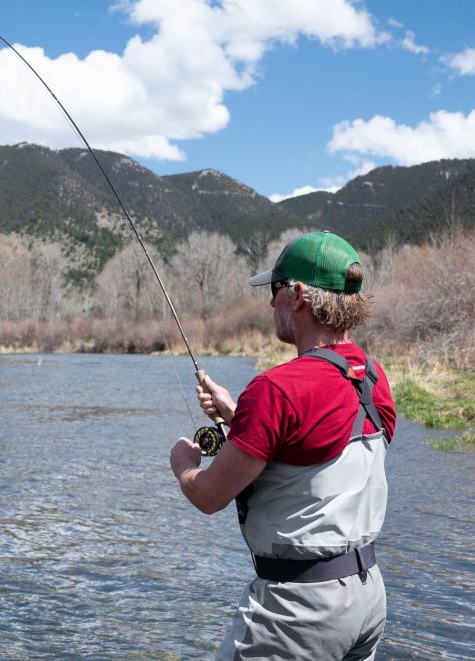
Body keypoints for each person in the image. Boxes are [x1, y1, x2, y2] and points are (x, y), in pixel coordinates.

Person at [169, 230, 396, 660]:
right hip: (368, 599)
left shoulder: (277, 389)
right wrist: (239, 415)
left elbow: (209, 495)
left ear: (298, 295)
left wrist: (184, 464)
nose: (270, 302)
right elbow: (318, 453)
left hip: (299, 612)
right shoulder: (373, 377)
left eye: (274, 290)